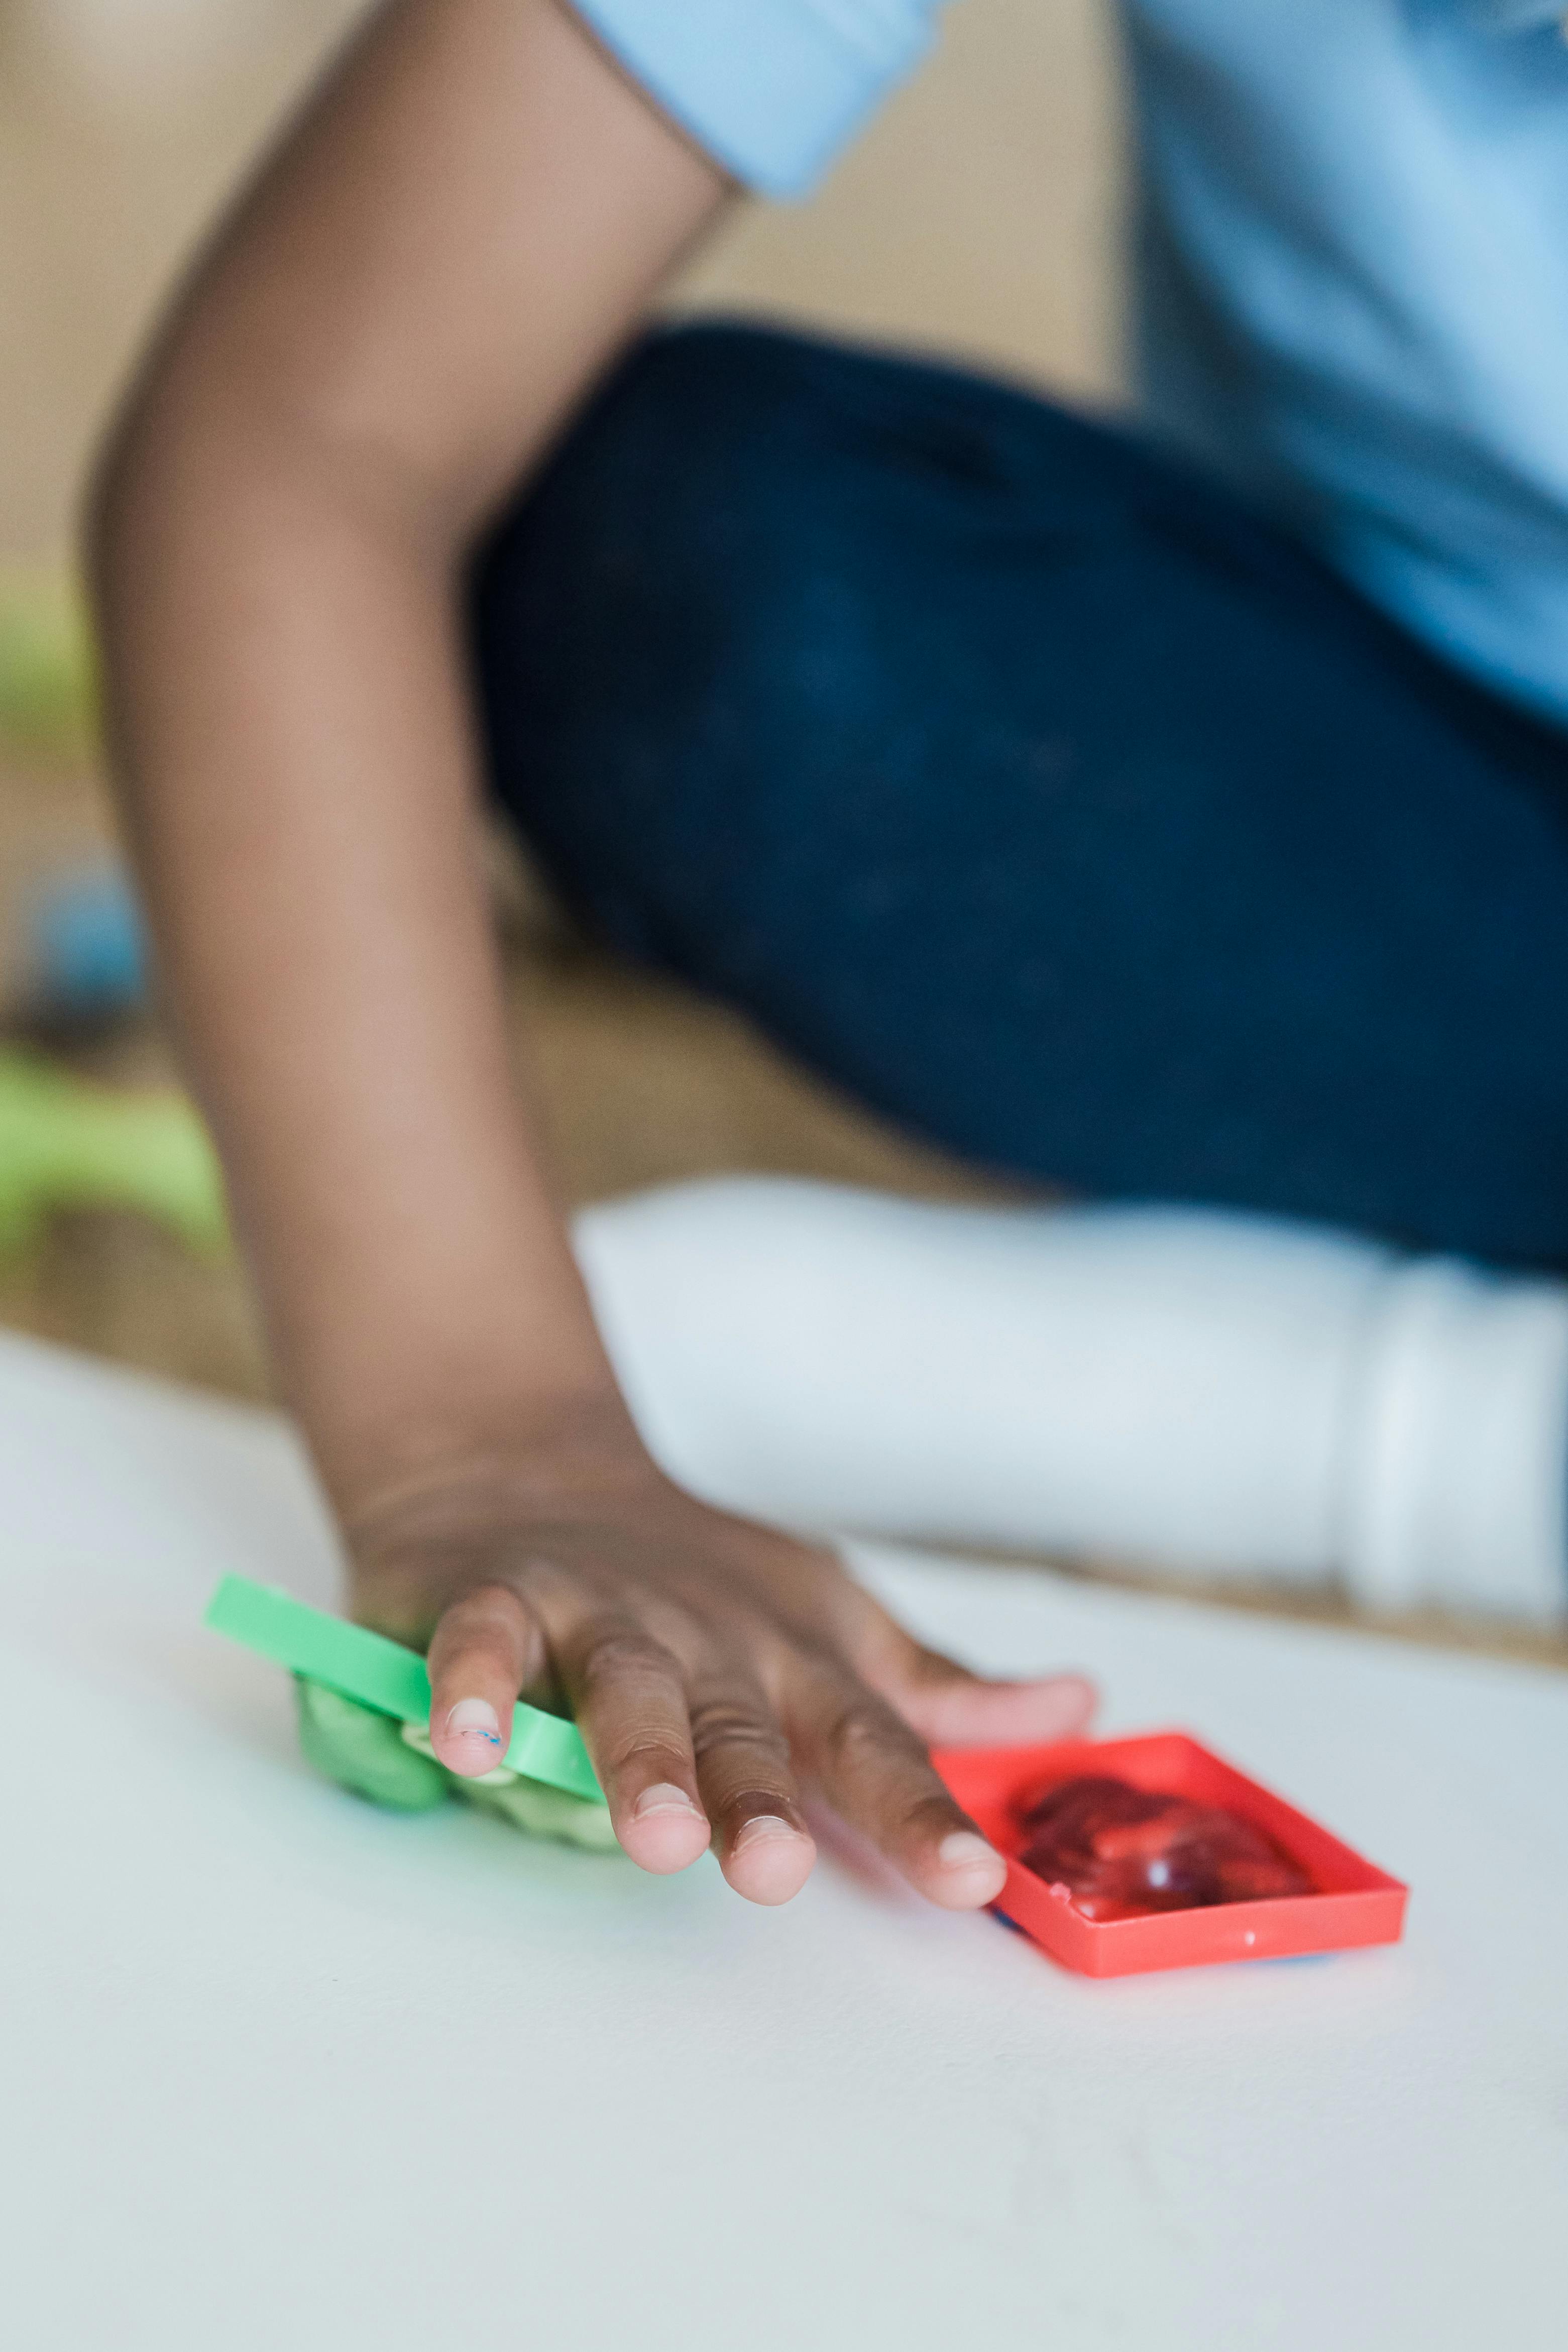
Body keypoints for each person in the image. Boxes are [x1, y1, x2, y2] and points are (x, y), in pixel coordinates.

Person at [87, 0, 1568, 1907]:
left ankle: (1446, 1436)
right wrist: (478, 1420)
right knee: (690, 577)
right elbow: (317, 426)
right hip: (1420, 802)